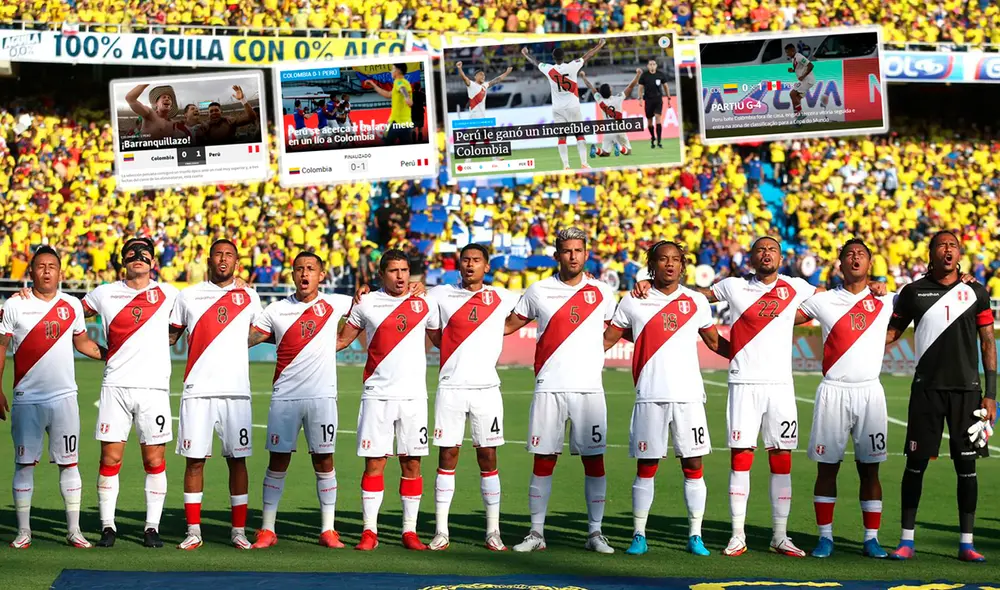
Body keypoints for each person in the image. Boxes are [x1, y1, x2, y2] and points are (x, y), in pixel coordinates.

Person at [633, 236, 817, 557]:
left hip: (781, 386)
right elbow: (694, 296)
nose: (767, 254)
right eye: (760, 250)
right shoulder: (733, 286)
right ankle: (737, 535)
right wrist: (648, 286)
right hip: (742, 382)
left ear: (781, 257)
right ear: (751, 258)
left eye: (772, 250)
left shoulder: (796, 286)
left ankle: (780, 535)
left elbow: (834, 301)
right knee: (740, 457)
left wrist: (875, 285)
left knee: (781, 459)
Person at [603, 241, 729, 556]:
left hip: (688, 397)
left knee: (694, 464)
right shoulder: (633, 302)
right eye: (663, 259)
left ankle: (695, 534)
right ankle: (638, 534)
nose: (670, 264)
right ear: (653, 264)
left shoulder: (696, 301)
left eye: (675, 259)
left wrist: (748, 355)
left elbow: (714, 342)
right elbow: (607, 339)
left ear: (683, 265)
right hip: (650, 395)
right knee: (646, 466)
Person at [503, 227, 618, 554]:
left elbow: (619, 327)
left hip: (589, 390)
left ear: (586, 253)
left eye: (578, 250)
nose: (573, 256)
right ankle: (536, 533)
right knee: (543, 459)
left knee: (595, 461)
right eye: (567, 251)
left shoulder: (602, 291)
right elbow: (508, 325)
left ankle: (595, 533)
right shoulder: (538, 290)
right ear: (557, 255)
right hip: (549, 387)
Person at [884, 230, 996, 562]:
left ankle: (967, 543)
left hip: (967, 393)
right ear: (930, 252)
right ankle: (906, 540)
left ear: (958, 252)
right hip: (926, 390)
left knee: (967, 467)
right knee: (915, 465)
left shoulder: (976, 291)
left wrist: (991, 394)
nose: (948, 250)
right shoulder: (913, 292)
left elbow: (988, 343)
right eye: (941, 245)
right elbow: (890, 332)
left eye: (953, 245)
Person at [795, 239, 895, 559]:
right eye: (849, 254)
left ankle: (871, 538)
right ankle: (825, 538)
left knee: (870, 470)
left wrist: (965, 279)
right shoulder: (823, 301)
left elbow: (926, 298)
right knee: (827, 468)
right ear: (840, 262)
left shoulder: (887, 300)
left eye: (861, 254)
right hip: (833, 392)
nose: (855, 258)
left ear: (870, 263)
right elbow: (781, 316)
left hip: (870, 393)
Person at [0, 246, 105, 549]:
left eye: (52, 266)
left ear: (61, 273)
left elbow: (83, 343)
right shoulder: (14, 306)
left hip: (63, 399)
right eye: (41, 266)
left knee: (69, 463)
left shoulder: (71, 304)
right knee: (24, 464)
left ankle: (73, 530)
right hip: (27, 398)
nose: (46, 270)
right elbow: (1, 347)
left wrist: (113, 355)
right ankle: (24, 532)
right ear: (31, 271)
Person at [247, 252, 354, 550]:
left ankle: (328, 529)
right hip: (285, 397)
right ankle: (267, 529)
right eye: (299, 269)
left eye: (311, 269)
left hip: (322, 397)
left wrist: (414, 288)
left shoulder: (336, 303)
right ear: (292, 275)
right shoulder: (276, 310)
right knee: (278, 461)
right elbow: (246, 337)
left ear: (322, 275)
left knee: (324, 460)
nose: (305, 274)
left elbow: (369, 303)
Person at [337, 250, 440, 551]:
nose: (400, 277)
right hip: (377, 395)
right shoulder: (366, 302)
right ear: (381, 274)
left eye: (405, 270)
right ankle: (370, 531)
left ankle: (409, 531)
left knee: (412, 463)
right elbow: (343, 340)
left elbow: (441, 340)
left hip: (413, 397)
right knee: (375, 463)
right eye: (394, 271)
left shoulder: (425, 302)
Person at [84, 237, 180, 548]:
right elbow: (69, 312)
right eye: (131, 253)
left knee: (154, 460)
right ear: (123, 259)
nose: (137, 257)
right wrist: (31, 295)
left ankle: (151, 527)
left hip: (154, 388)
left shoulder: (170, 294)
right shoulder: (105, 293)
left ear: (153, 261)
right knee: (110, 457)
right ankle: (108, 526)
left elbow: (190, 319)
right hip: (116, 386)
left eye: (144, 253)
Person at [168, 239, 263, 551]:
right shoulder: (188, 296)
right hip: (197, 390)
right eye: (218, 254)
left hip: (236, 392)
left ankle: (238, 531)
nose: (223, 260)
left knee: (238, 461)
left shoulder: (249, 296)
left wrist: (233, 344)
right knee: (194, 461)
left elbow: (260, 332)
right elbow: (171, 335)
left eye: (229, 255)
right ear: (209, 259)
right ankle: (193, 531)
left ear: (236, 261)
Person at [426, 244, 517, 551]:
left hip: (487, 390)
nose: (470, 265)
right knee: (447, 456)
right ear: (459, 264)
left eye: (476, 261)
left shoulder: (502, 297)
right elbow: (431, 328)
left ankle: (493, 531)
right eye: (465, 260)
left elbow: (532, 309)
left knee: (488, 457)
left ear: (486, 266)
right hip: (451, 388)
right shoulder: (440, 294)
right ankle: (441, 530)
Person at [521, 39, 606, 170]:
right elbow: (588, 55)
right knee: (579, 135)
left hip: (558, 109)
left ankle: (566, 165)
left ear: (553, 58)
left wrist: (526, 54)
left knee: (562, 137)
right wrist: (599, 45)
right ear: (564, 57)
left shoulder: (549, 69)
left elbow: (536, 62)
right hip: (573, 107)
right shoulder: (572, 65)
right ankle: (584, 163)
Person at [579, 69, 642, 158]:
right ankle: (619, 147)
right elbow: (631, 86)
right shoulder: (618, 98)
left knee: (605, 153)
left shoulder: (600, 99)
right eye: (610, 87)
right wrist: (638, 75)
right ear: (610, 91)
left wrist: (583, 77)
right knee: (628, 151)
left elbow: (590, 86)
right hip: (619, 127)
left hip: (608, 129)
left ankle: (596, 149)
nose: (611, 87)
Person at [366, 64, 414, 146]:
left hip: (395, 122)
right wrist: (374, 86)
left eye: (393, 69)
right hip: (406, 123)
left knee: (385, 142)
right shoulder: (405, 83)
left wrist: (407, 98)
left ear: (398, 71)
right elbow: (388, 94)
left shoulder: (398, 82)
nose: (391, 71)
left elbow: (402, 88)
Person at [637, 59, 672, 149]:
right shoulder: (644, 76)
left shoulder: (660, 75)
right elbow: (640, 88)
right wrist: (640, 98)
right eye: (650, 64)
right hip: (648, 101)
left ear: (656, 66)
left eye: (653, 64)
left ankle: (659, 141)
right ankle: (653, 137)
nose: (652, 66)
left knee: (658, 118)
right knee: (649, 122)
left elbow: (665, 86)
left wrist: (668, 97)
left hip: (658, 100)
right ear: (648, 66)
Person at [785, 44, 816, 126]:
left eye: (788, 52)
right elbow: (798, 69)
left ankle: (801, 114)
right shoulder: (793, 59)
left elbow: (811, 65)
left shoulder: (799, 57)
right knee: (796, 99)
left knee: (792, 94)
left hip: (807, 80)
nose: (787, 54)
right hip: (806, 80)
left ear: (792, 50)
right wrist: (792, 71)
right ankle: (798, 121)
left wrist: (803, 76)